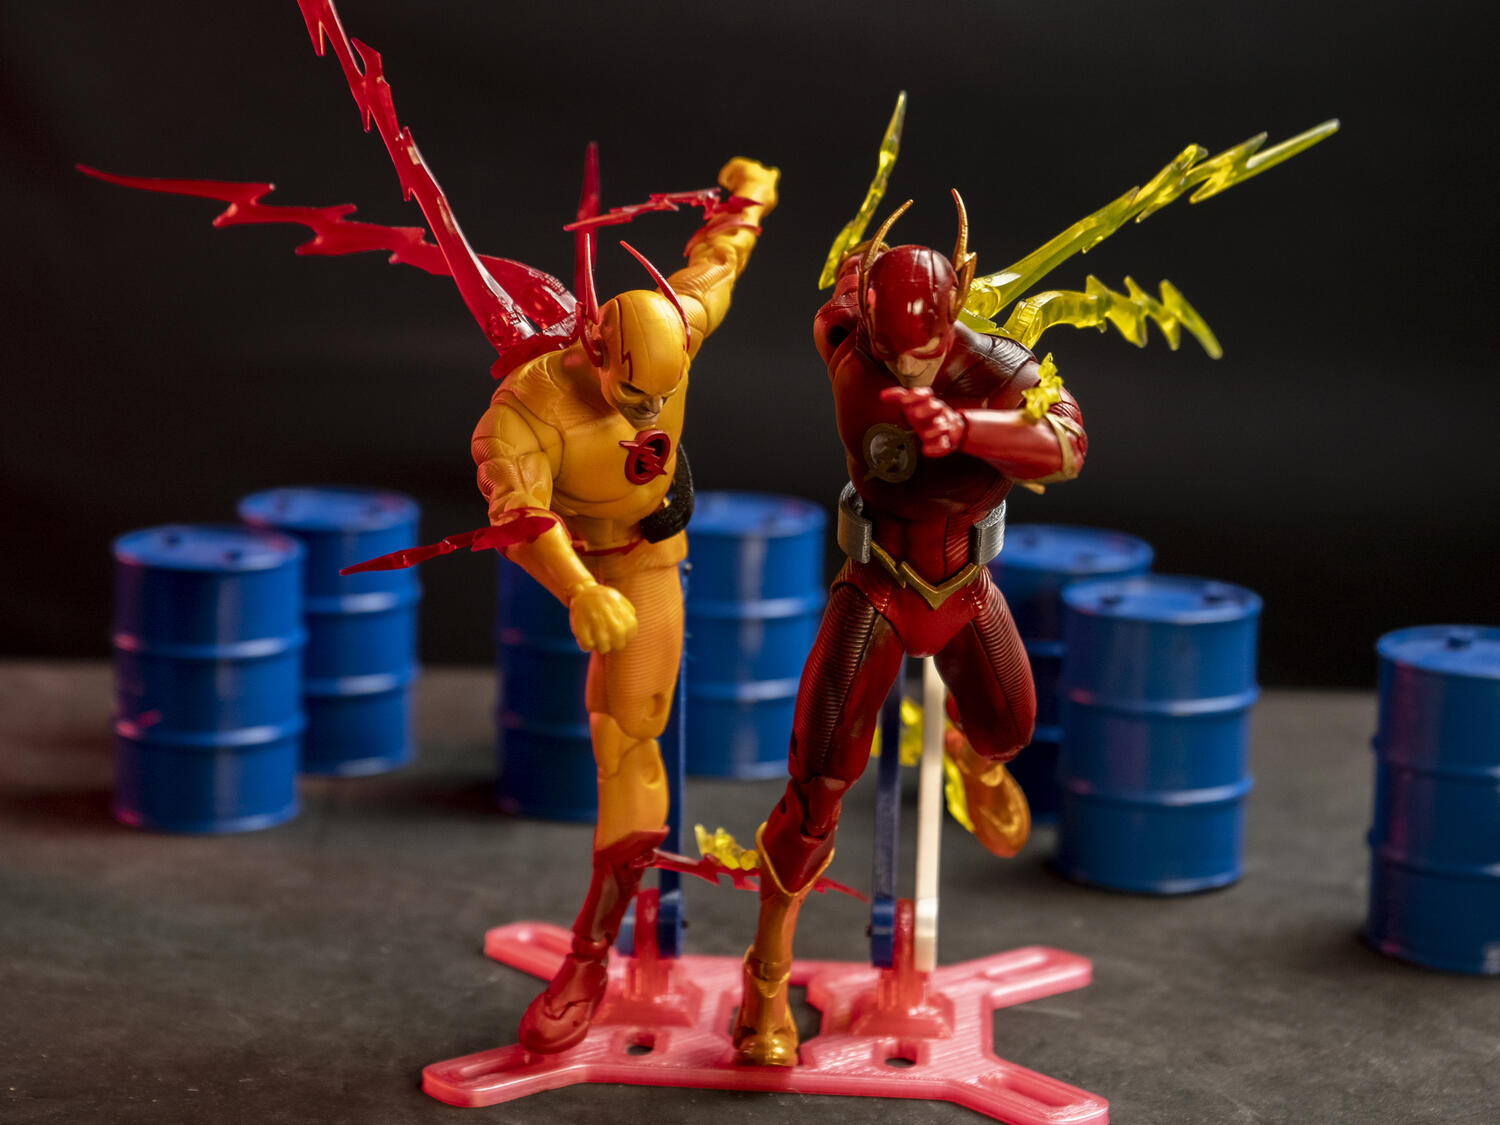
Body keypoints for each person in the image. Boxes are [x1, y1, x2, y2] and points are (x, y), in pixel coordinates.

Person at [732, 195, 1086, 1066]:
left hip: (962, 584)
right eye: (895, 350)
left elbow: (1068, 446)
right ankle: (766, 972)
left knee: (1010, 727)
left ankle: (973, 759)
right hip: (879, 583)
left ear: (960, 302)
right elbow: (840, 299)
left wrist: (971, 427)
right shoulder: (844, 337)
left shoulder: (1002, 370)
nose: (910, 369)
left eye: (925, 351)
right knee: (815, 788)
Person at [473, 157, 778, 1054]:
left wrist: (746, 203)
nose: (650, 413)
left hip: (651, 558)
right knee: (621, 749)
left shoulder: (675, 330)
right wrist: (576, 587)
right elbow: (519, 515)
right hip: (595, 564)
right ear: (597, 352)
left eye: (662, 396)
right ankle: (590, 954)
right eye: (634, 394)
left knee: (638, 733)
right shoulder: (523, 412)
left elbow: (715, 266)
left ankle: (604, 942)